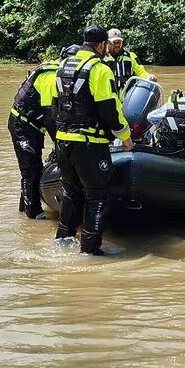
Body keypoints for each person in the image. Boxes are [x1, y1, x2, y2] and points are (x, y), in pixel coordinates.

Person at [53, 26, 134, 255]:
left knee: (71, 192)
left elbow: (54, 105)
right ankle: (90, 251)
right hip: (89, 144)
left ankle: (63, 240)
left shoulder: (63, 66)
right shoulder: (99, 69)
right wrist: (125, 137)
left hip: (63, 140)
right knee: (97, 195)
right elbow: (109, 110)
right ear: (101, 45)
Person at [9, 45, 79, 220]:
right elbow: (52, 117)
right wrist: (63, 145)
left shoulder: (62, 75)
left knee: (35, 166)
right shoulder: (51, 76)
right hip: (22, 125)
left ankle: (23, 208)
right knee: (30, 169)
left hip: (34, 124)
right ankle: (32, 216)